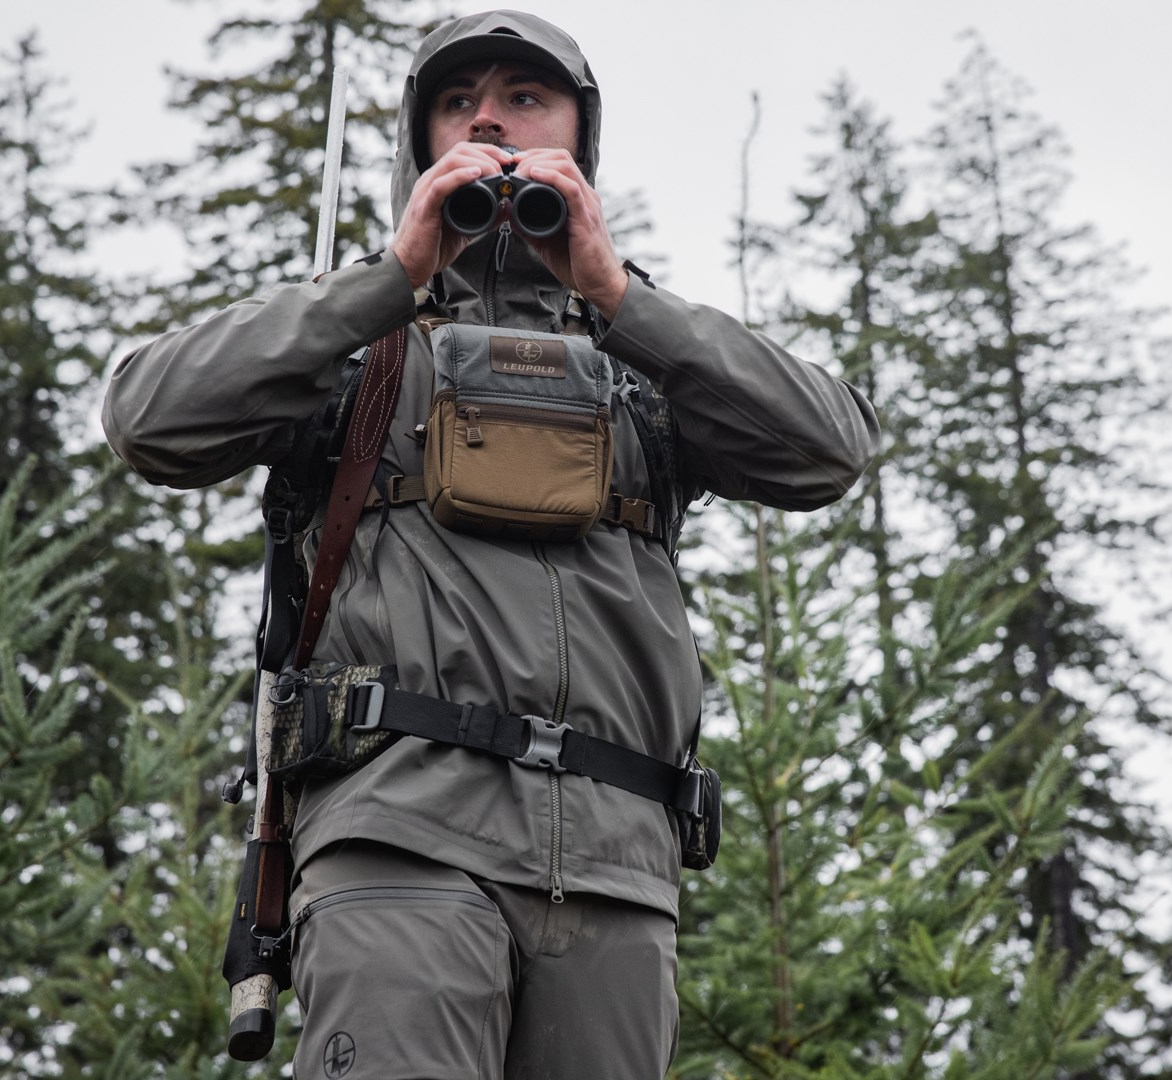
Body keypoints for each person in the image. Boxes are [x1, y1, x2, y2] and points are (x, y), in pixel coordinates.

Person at [103, 9, 877, 1077]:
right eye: (459, 105)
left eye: (525, 99)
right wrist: (387, 278)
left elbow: (827, 453)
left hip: (614, 873)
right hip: (402, 844)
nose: (490, 126)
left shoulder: (642, 358)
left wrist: (617, 293)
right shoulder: (357, 344)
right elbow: (148, 421)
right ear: (418, 146)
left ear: (579, 138)